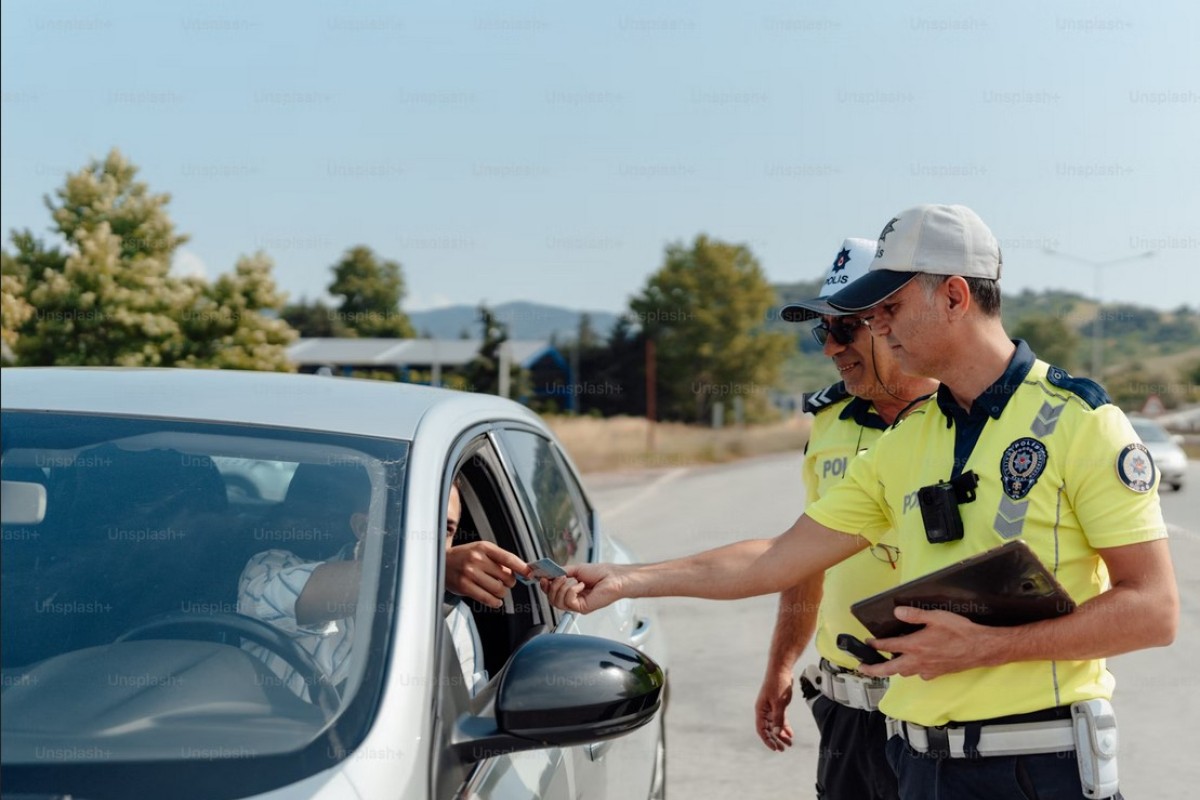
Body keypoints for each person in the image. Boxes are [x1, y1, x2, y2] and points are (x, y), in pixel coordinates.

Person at [546, 205, 1178, 800]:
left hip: (1033, 765)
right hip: (912, 765)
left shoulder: (1080, 422)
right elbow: (776, 557)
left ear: (955, 296)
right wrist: (628, 579)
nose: (877, 328)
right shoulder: (910, 438)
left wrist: (986, 648)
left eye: (890, 308)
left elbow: (1153, 610)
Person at [761, 238, 937, 800]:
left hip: (942, 708)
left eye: (845, 328)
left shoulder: (968, 416)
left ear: (894, 321)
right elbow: (806, 556)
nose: (830, 348)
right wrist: (783, 662)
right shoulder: (829, 421)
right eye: (824, 332)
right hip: (848, 715)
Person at [239, 472, 528, 700]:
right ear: (362, 528)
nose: (433, 541)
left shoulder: (450, 617)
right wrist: (427, 566)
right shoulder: (271, 566)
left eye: (447, 530)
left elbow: (467, 724)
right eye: (414, 522)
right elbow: (272, 599)